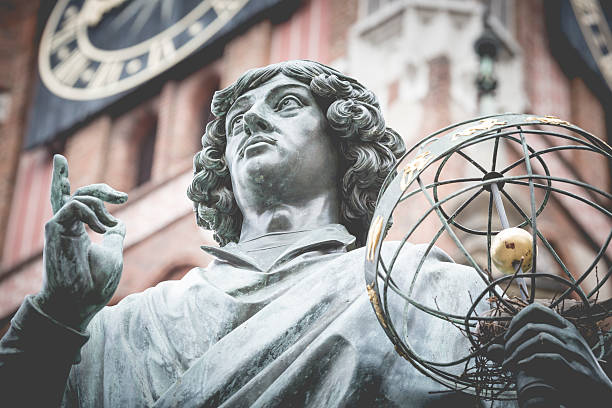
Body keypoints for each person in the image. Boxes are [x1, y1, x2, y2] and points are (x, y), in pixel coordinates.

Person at [1, 60, 610, 407]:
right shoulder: (122, 328)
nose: (253, 121)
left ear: (344, 141)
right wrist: (55, 315)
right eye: (237, 120)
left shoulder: (423, 287)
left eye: (287, 103)